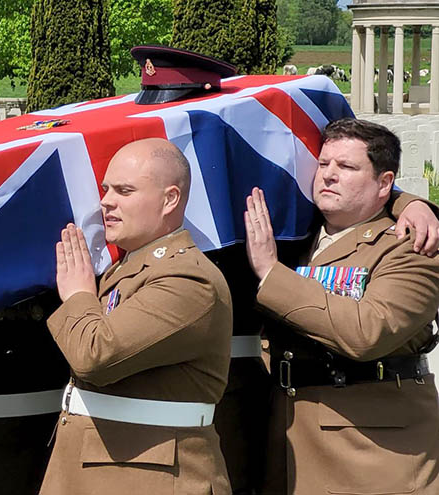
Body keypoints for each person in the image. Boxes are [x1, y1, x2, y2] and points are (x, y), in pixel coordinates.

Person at [246, 118, 439, 494]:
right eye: (323, 164)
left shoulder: (411, 246)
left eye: (346, 167)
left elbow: (369, 332)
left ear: (385, 183)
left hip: (372, 448)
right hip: (290, 439)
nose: (329, 176)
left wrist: (272, 274)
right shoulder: (296, 233)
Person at [42, 138, 233, 493]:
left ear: (170, 199)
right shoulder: (127, 268)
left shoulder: (188, 279)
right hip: (105, 469)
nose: (106, 202)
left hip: (149, 477)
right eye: (106, 189)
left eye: (125, 191)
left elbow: (95, 356)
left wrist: (79, 295)